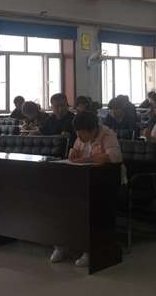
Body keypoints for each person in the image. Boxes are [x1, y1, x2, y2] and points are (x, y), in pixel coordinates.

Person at [50, 111, 122, 267]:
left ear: (93, 130)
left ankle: (89, 250)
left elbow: (113, 156)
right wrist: (73, 153)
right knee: (59, 203)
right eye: (77, 133)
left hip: (105, 184)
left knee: (85, 206)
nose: (79, 137)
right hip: (81, 182)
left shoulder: (107, 135)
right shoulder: (81, 137)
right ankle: (61, 245)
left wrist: (85, 159)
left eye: (81, 133)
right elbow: (75, 153)